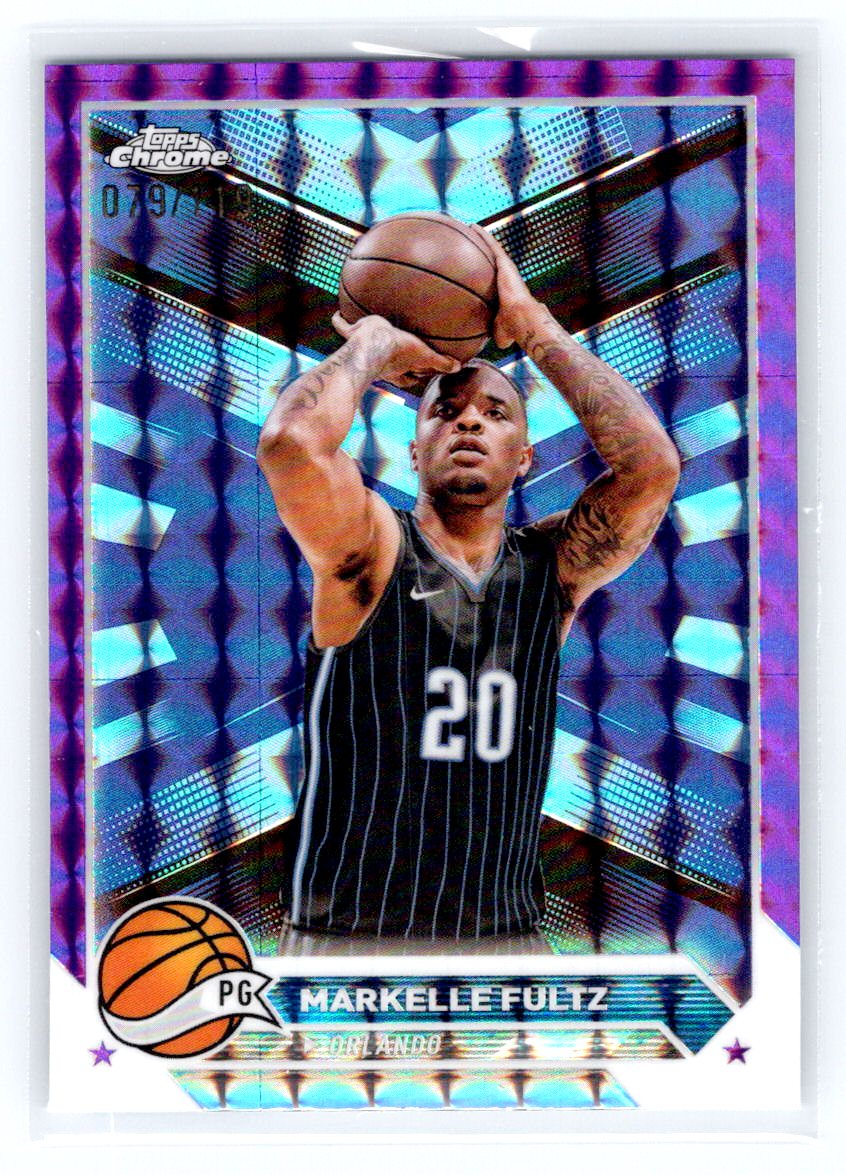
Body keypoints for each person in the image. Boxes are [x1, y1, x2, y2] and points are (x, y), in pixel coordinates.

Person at [257, 228, 680, 951]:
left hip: (508, 939)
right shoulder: (369, 549)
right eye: (446, 412)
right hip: (349, 938)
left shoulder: (552, 570)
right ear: (414, 449)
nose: (470, 421)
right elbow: (290, 444)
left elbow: (653, 469)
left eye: (495, 412)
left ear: (525, 459)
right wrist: (373, 344)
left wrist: (534, 326)